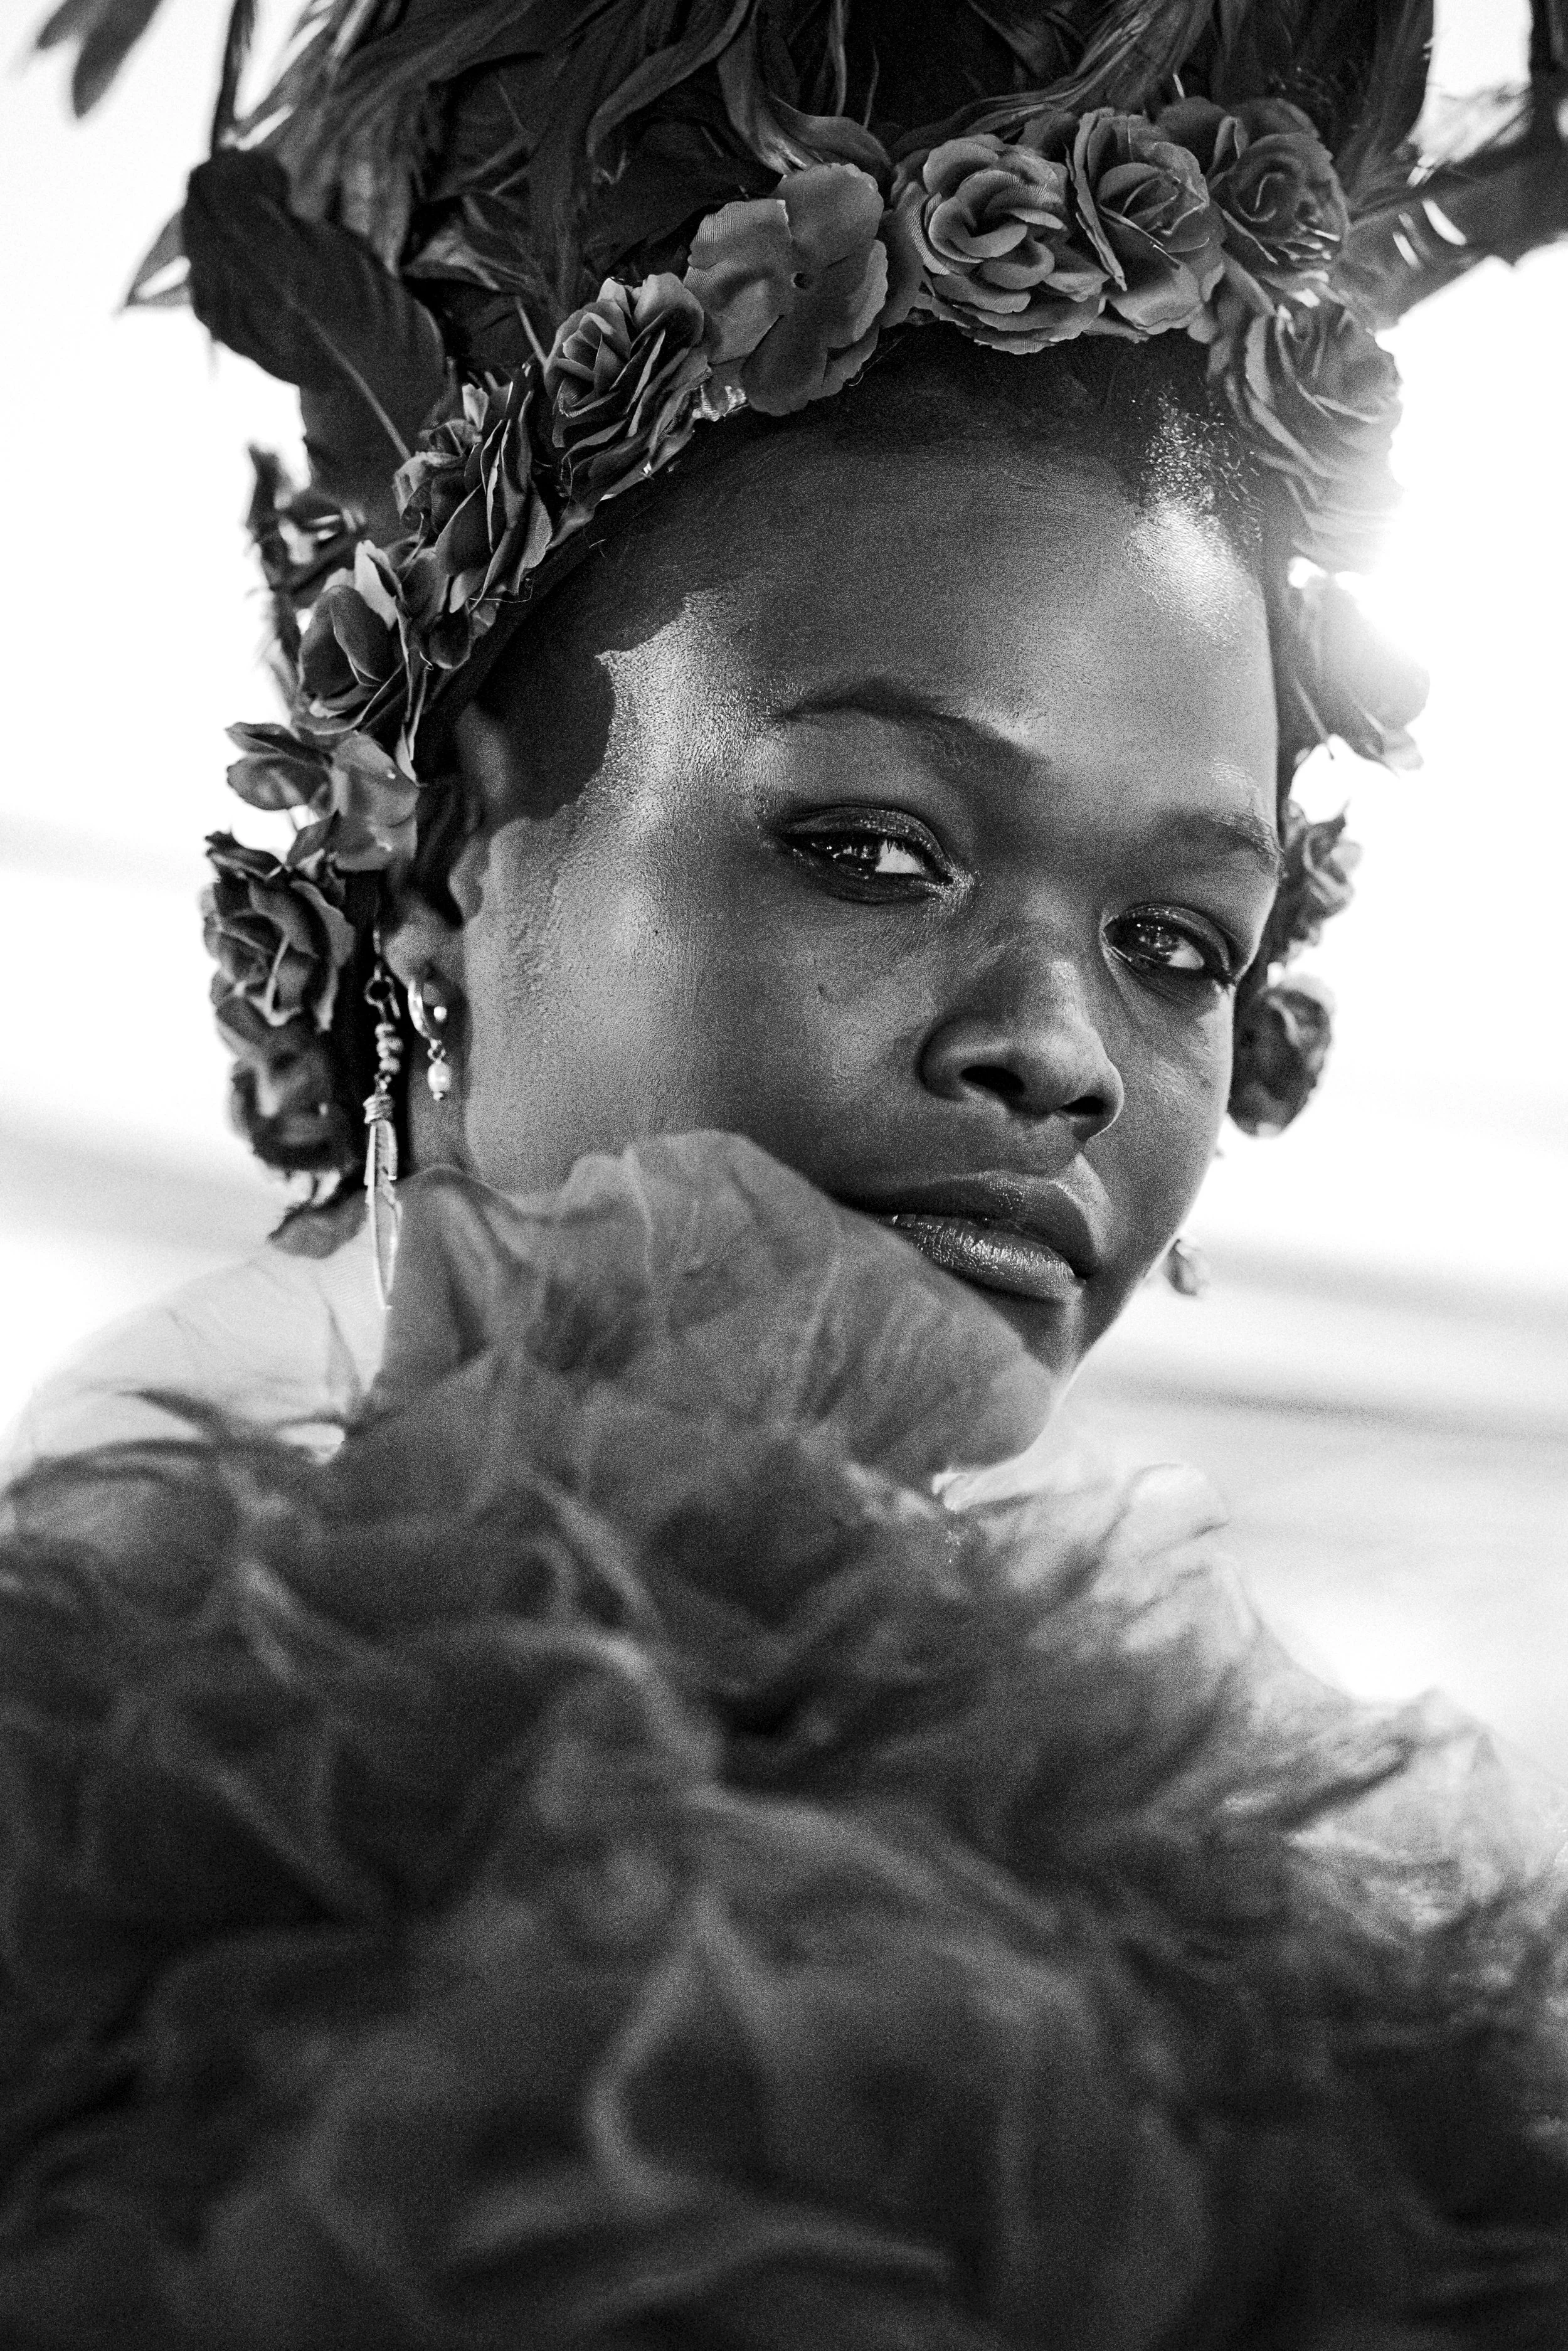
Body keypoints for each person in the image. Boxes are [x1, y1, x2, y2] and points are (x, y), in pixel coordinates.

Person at [6, 0, 1568, 2340]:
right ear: (439, 857)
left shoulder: (1300, 1927)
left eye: (1173, 941)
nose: (1054, 1052)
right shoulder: (104, 1801)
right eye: (869, 847)